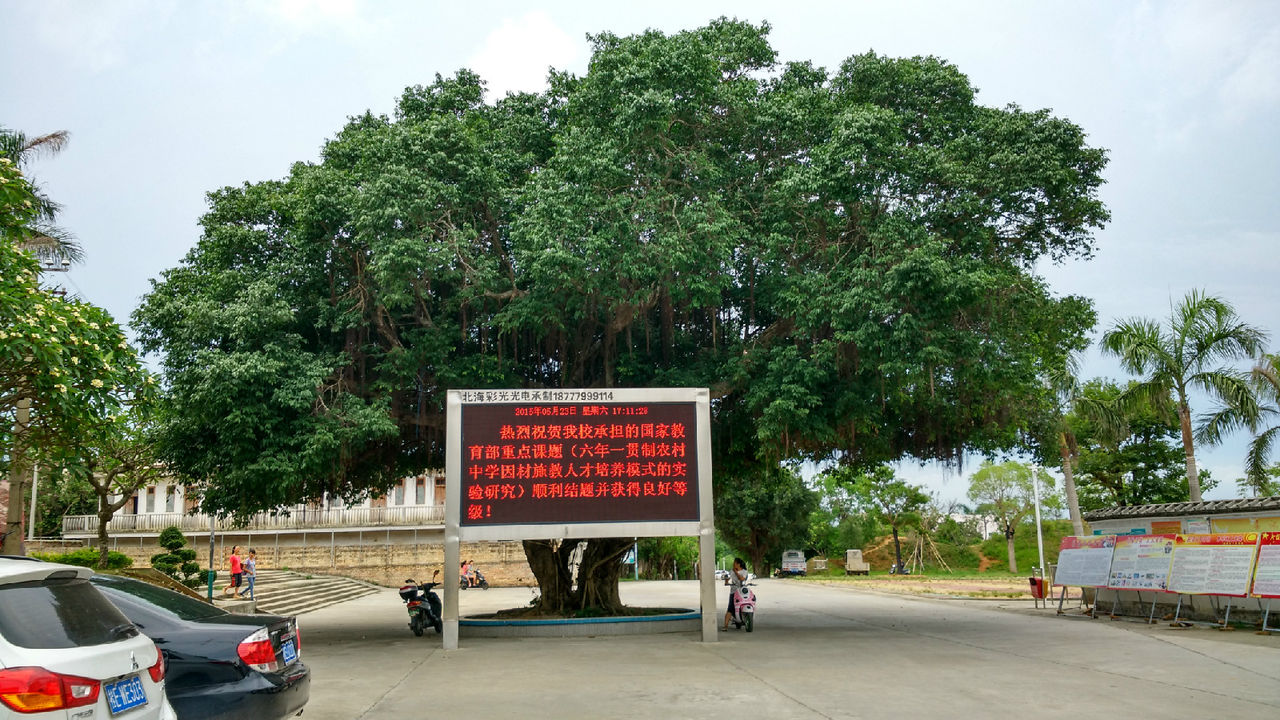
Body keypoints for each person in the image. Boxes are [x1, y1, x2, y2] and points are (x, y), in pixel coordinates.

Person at [722, 557, 749, 631]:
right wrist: (726, 581)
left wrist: (736, 572)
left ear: (738, 564)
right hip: (733, 592)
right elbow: (728, 578)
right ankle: (725, 626)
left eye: (734, 563)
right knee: (730, 608)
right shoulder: (731, 571)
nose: (733, 564)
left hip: (742, 591)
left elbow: (742, 579)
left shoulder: (744, 571)